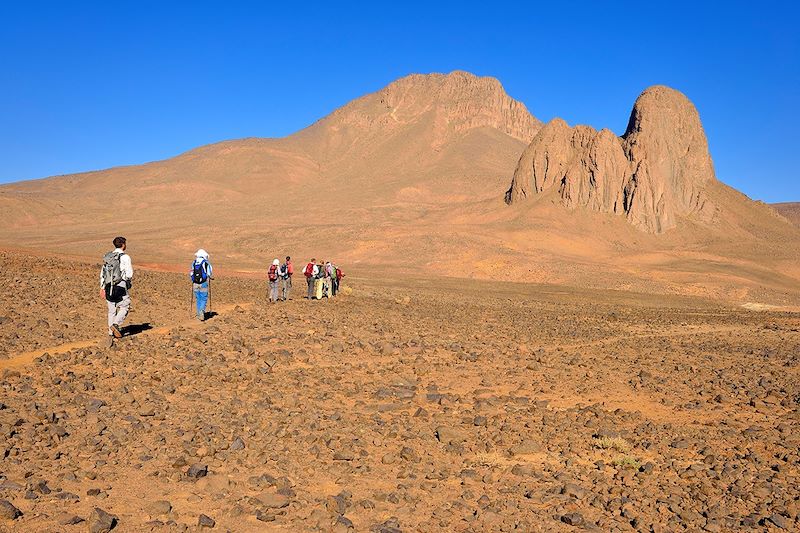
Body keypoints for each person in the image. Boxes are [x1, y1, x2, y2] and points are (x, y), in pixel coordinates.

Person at [100, 236, 133, 342]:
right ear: (123, 244)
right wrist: (127, 281)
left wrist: (102, 287)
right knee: (125, 306)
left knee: (111, 310)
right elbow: (129, 273)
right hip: (120, 285)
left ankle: (110, 334)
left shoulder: (109, 257)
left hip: (108, 285)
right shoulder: (125, 257)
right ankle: (116, 324)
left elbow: (103, 273)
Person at [189, 249, 213, 320]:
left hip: (195, 283)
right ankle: (201, 312)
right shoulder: (205, 263)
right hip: (203, 283)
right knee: (203, 298)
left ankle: (198, 314)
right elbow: (209, 273)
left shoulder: (194, 262)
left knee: (198, 298)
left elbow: (191, 273)